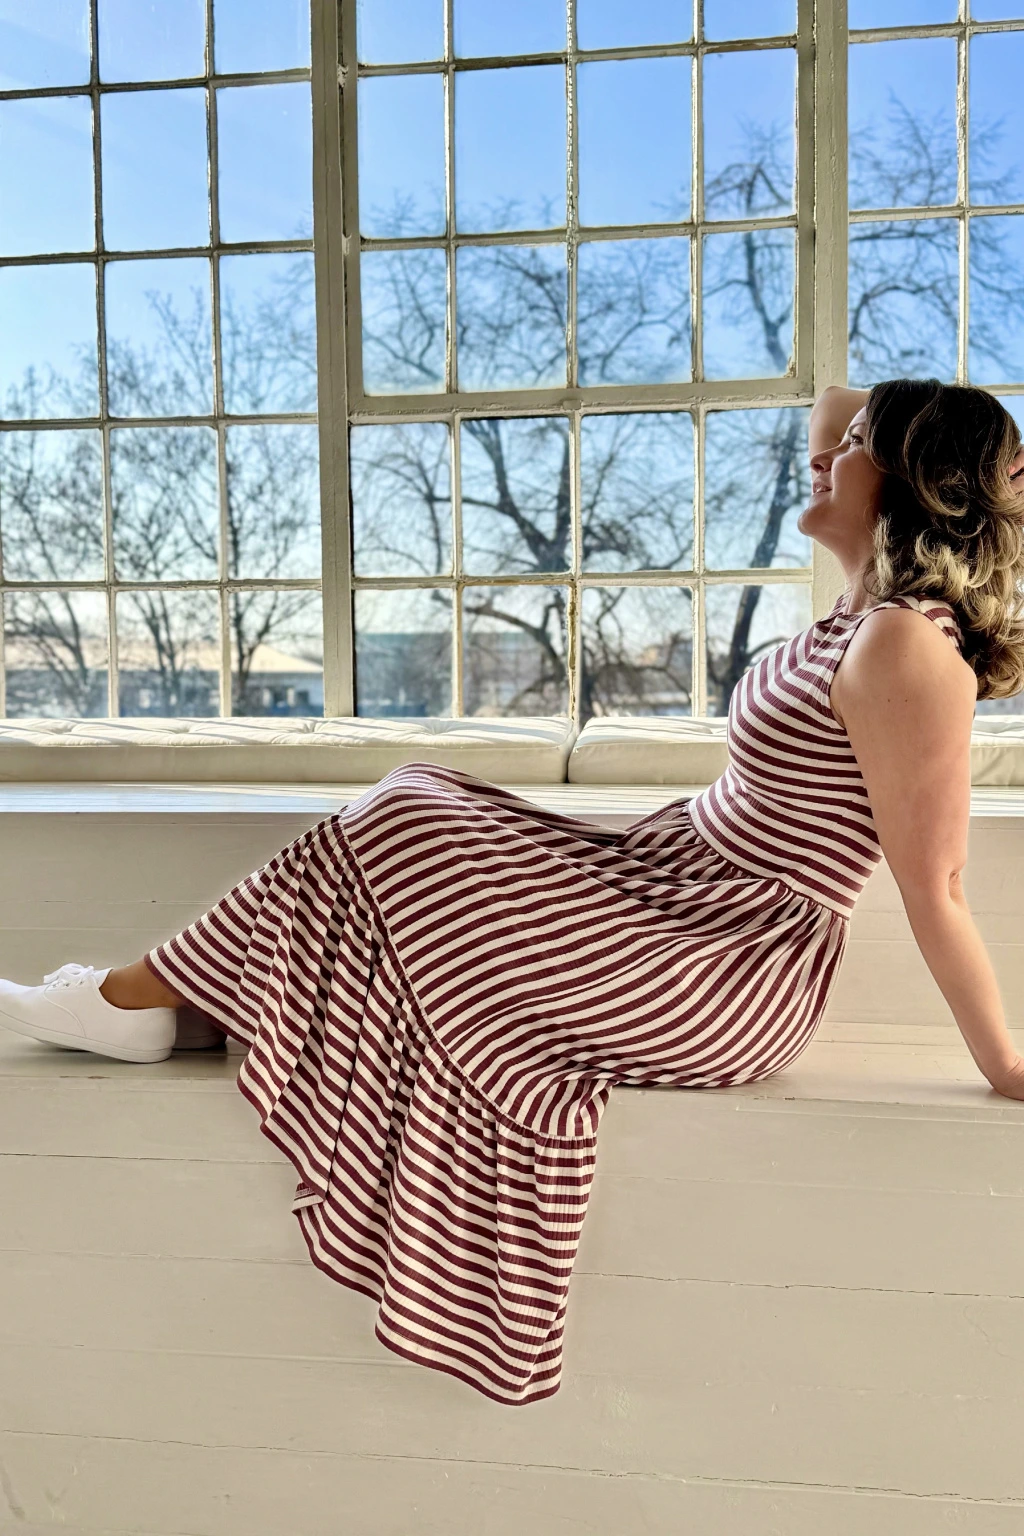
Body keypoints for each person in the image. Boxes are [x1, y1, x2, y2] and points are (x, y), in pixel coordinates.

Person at [2, 377, 1024, 1407]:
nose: (820, 456)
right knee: (417, 793)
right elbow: (834, 411)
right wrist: (875, 425)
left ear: (915, 480)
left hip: (724, 957)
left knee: (408, 817)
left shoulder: (907, 647)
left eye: (853, 443)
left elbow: (935, 881)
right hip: (669, 884)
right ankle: (181, 1006)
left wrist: (1006, 1063)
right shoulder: (855, 622)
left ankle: (137, 998)